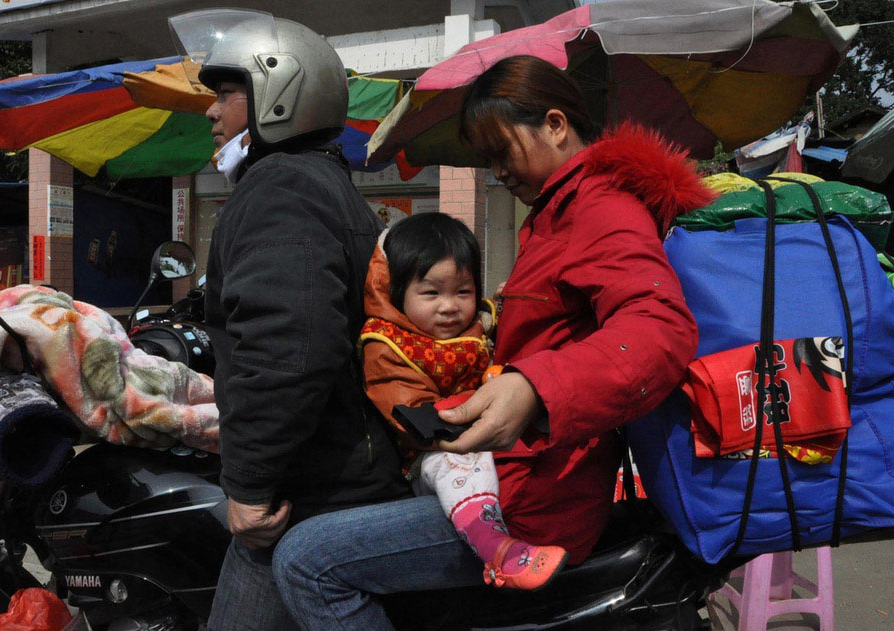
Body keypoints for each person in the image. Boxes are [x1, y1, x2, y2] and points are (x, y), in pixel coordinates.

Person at [273, 54, 713, 630]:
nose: (498, 171)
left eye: (502, 151)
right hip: (516, 474)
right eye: (488, 160)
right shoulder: (555, 212)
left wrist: (534, 388)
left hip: (530, 506)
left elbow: (659, 328)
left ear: (555, 124)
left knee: (305, 561)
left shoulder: (599, 206)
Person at [168, 9, 409, 630]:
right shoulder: (324, 183)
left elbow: (287, 351)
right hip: (342, 472)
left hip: (306, 496)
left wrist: (248, 485)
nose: (210, 112)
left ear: (279, 93)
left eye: (226, 94)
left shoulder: (279, 187)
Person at [358, 212, 568, 591]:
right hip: (430, 450)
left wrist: (504, 309)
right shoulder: (387, 344)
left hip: (477, 430)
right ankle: (496, 549)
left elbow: (493, 332)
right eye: (431, 293)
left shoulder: (473, 327)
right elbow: (412, 414)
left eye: (463, 291)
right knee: (457, 460)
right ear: (395, 291)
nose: (450, 307)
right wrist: (477, 407)